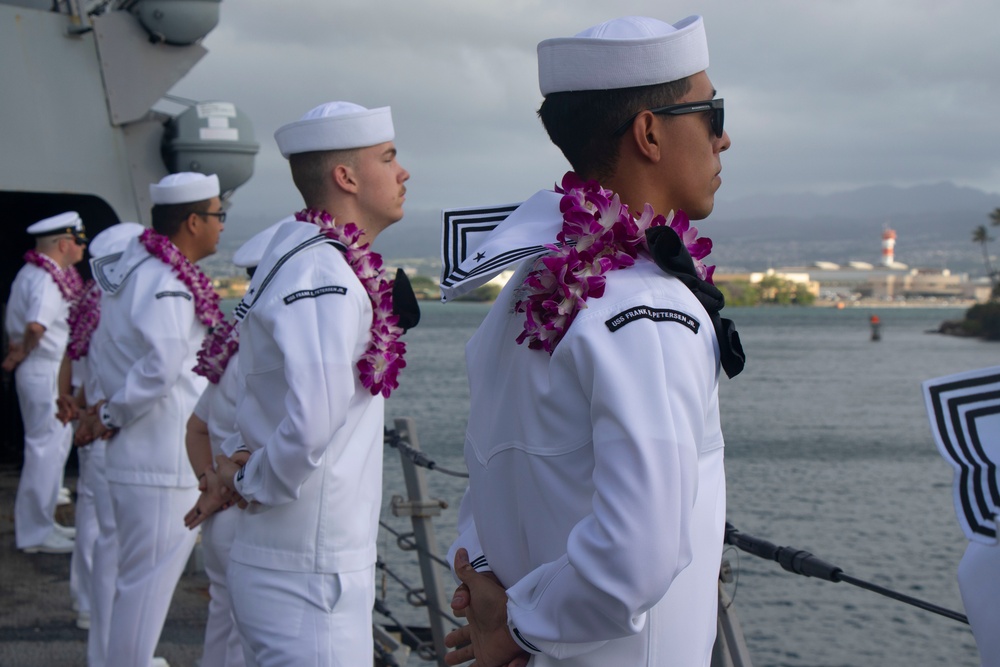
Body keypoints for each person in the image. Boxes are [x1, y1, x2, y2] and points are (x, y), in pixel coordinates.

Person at [441, 15, 742, 667]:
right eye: (711, 114)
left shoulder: (531, 285)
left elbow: (494, 470)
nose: (725, 139)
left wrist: (494, 591)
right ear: (650, 132)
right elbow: (639, 551)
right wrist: (514, 623)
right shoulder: (652, 308)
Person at [213, 101, 411, 666]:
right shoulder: (324, 272)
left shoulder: (300, 257)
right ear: (345, 177)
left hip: (294, 562)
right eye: (389, 158)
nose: (403, 173)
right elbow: (312, 420)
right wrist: (250, 481)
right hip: (307, 574)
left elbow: (251, 396)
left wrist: (240, 465)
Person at [80, 172, 226, 666]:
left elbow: (104, 352)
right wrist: (109, 413)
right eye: (218, 215)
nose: (222, 226)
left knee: (130, 583)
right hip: (162, 460)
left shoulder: (133, 274)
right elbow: (162, 366)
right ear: (192, 221)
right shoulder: (168, 283)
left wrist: (108, 412)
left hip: (138, 456)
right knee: (145, 591)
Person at [183, 221, 283, 667]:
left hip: (221, 517)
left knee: (221, 627)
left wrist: (208, 483)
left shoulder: (233, 352)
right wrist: (224, 486)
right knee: (247, 648)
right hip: (249, 515)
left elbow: (196, 427)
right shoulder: (269, 360)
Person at [59, 221, 145, 634]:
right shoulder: (116, 303)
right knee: (110, 530)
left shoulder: (91, 300)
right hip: (109, 424)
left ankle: (86, 602)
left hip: (93, 418)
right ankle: (100, 615)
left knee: (93, 521)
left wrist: (73, 399)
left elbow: (72, 357)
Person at [4, 211, 87, 554]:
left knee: (50, 449)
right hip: (45, 368)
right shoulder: (46, 279)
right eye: (79, 241)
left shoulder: (37, 273)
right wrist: (21, 351)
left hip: (46, 368)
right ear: (64, 244)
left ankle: (42, 525)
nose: (83, 247)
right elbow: (38, 326)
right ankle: (35, 534)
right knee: (44, 451)